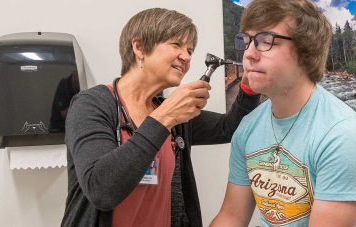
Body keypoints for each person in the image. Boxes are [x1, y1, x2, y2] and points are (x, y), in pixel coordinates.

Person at [60, 8, 260, 227]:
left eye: (190, 50)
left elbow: (228, 128)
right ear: (139, 47)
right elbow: (102, 190)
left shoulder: (172, 114)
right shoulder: (91, 105)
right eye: (176, 45)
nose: (186, 56)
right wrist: (164, 118)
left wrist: (249, 87)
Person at [210, 0, 356, 226]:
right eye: (246, 41)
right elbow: (232, 217)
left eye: (265, 41)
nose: (249, 54)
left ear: (306, 52)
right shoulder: (248, 127)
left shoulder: (342, 134)